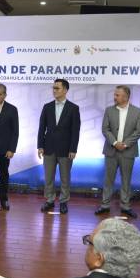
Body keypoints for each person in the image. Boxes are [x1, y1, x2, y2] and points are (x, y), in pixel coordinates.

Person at [95, 85, 140, 218]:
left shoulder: (138, 112)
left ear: (126, 97)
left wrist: (125, 144)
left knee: (126, 180)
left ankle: (125, 206)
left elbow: (138, 131)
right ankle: (105, 205)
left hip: (128, 151)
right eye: (115, 94)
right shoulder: (109, 110)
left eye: (117, 95)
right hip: (111, 150)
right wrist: (115, 143)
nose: (114, 97)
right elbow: (105, 129)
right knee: (108, 179)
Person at [37, 79, 80, 214]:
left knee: (65, 178)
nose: (54, 90)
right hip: (48, 148)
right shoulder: (47, 107)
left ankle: (63, 201)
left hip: (66, 149)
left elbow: (75, 131)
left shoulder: (73, 108)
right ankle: (49, 200)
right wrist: (40, 145)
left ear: (65, 90)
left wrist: (73, 149)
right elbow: (41, 128)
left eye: (57, 88)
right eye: (53, 88)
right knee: (48, 177)